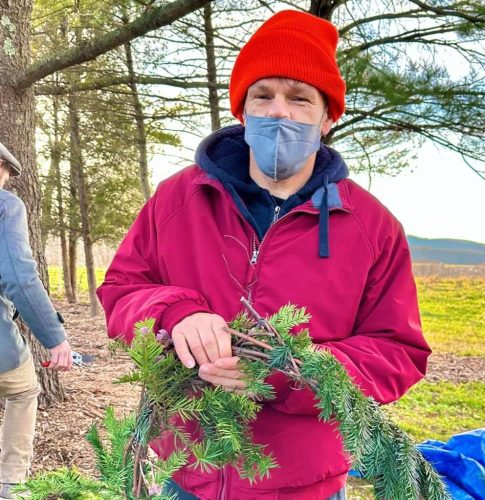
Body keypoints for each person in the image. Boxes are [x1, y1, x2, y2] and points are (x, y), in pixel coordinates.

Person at [97, 10, 431, 500]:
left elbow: (397, 352)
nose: (280, 112)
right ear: (242, 110)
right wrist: (175, 313)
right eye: (264, 95)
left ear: (328, 117)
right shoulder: (179, 199)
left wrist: (282, 371)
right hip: (189, 472)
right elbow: (122, 290)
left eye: (300, 99)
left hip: (305, 485)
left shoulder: (371, 227)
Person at [0, 143, 73, 500]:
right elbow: (20, 277)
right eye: (5, 176)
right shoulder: (5, 205)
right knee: (24, 390)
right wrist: (55, 337)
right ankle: (11, 482)